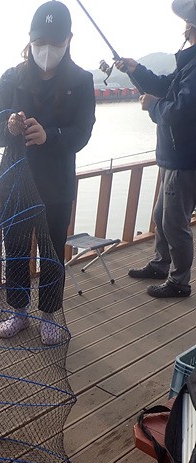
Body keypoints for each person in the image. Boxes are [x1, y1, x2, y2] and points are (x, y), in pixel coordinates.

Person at [0, 0, 95, 342]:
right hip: (15, 183)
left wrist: (51, 136)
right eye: (39, 42)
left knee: (51, 252)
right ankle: (18, 312)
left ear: (68, 40)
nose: (46, 49)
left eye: (54, 42)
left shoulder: (81, 81)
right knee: (16, 250)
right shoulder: (11, 78)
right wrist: (10, 127)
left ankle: (49, 315)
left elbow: (82, 133)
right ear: (29, 40)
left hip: (56, 186)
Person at [115, 0, 196, 298]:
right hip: (175, 156)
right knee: (162, 216)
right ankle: (161, 264)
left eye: (187, 23)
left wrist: (152, 106)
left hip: (184, 160)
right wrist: (136, 70)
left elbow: (180, 110)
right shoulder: (188, 64)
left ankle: (179, 282)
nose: (184, 27)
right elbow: (165, 86)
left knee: (174, 224)